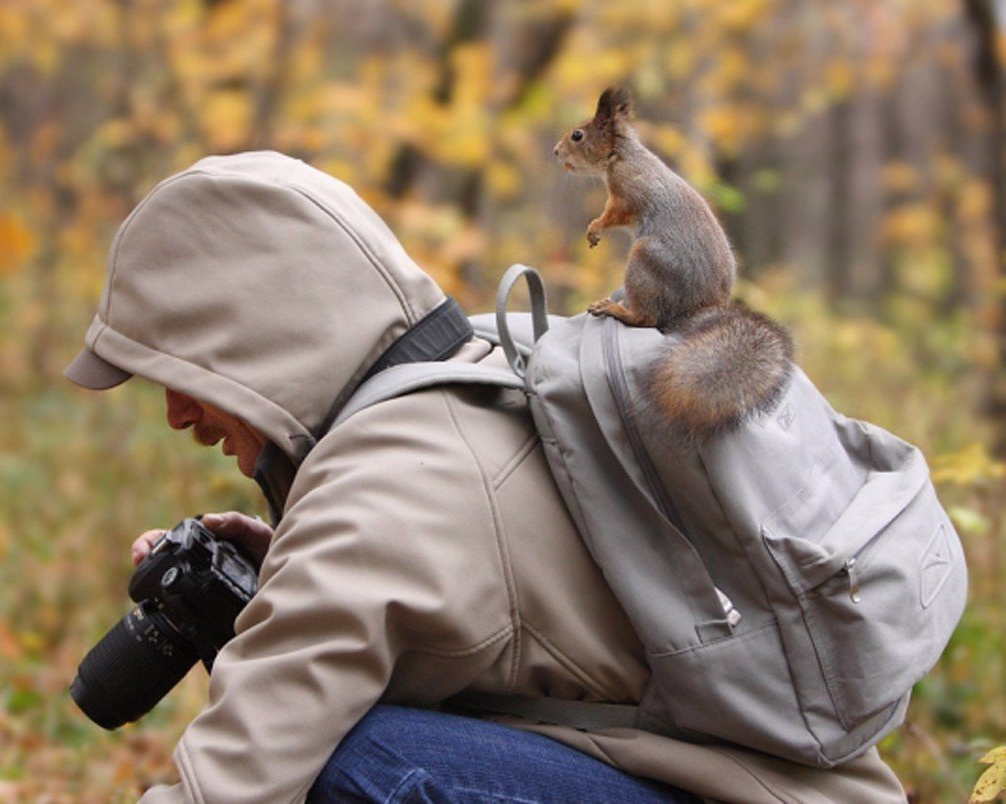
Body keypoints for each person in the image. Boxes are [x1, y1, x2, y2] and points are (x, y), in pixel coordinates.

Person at [64, 151, 907, 803]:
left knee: (354, 765)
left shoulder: (382, 491)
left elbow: (233, 781)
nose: (178, 413)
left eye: (182, 373)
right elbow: (488, 598)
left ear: (246, 337)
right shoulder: (479, 363)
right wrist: (289, 561)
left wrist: (313, 569)